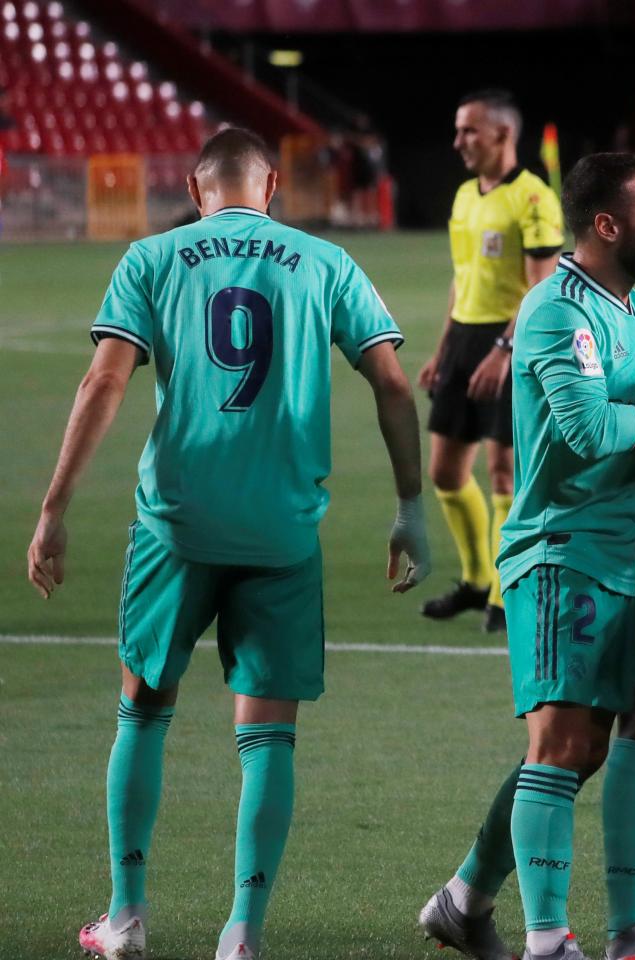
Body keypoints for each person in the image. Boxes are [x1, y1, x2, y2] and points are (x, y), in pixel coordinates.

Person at [27, 127, 430, 960]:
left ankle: (126, 918)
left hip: (176, 523)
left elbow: (105, 378)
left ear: (194, 186)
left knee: (141, 710)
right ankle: (242, 933)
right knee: (267, 737)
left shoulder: (151, 256)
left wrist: (54, 506)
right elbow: (391, 381)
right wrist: (409, 507)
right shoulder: (323, 261)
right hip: (282, 530)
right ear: (273, 184)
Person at [416, 153, 635, 960]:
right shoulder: (555, 312)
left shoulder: (614, 300)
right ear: (607, 226)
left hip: (619, 543)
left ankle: (464, 899)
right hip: (561, 551)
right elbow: (591, 430)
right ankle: (547, 940)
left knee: (591, 741)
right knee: (564, 744)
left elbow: (626, 356)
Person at [419, 89, 566, 631]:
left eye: (469, 131)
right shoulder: (463, 196)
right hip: (463, 339)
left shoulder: (533, 199)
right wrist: (442, 352)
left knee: (502, 470)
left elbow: (540, 289)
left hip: (511, 342)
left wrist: (503, 351)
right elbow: (463, 280)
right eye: (458, 131)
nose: (458, 141)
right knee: (445, 470)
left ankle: (506, 593)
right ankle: (476, 578)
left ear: (503, 135)